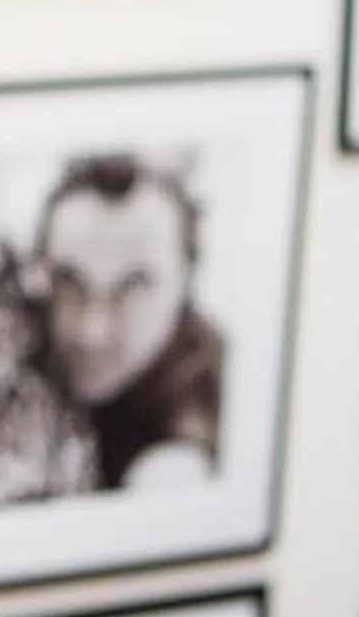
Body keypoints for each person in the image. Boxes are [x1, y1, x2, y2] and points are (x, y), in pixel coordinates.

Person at [33, 153, 223, 492]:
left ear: (187, 279)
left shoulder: (219, 394)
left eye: (132, 289)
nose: (92, 332)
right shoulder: (9, 335)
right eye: (69, 282)